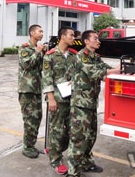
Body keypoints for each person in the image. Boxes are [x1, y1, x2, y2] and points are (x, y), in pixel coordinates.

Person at [67, 30, 121, 177]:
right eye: (95, 38)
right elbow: (94, 73)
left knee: (90, 136)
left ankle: (85, 163)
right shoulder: (81, 56)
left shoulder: (95, 57)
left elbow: (105, 68)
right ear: (86, 41)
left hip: (90, 103)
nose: (98, 41)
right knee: (79, 139)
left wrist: (122, 69)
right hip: (80, 105)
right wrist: (117, 70)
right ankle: (73, 172)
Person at [42, 27, 77, 175]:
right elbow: (47, 79)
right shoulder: (50, 56)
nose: (73, 38)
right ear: (62, 36)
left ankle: (54, 149)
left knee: (71, 130)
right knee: (56, 130)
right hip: (56, 98)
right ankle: (55, 160)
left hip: (71, 98)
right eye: (71, 35)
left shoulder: (73, 55)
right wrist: (51, 99)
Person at [18, 24, 46, 158]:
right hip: (27, 90)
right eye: (39, 31)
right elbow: (26, 65)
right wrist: (37, 52)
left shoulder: (38, 48)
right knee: (29, 120)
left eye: (42, 32)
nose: (42, 34)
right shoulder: (24, 48)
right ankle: (27, 147)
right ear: (32, 33)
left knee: (37, 118)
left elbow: (43, 67)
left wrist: (44, 52)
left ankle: (31, 145)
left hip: (37, 89)